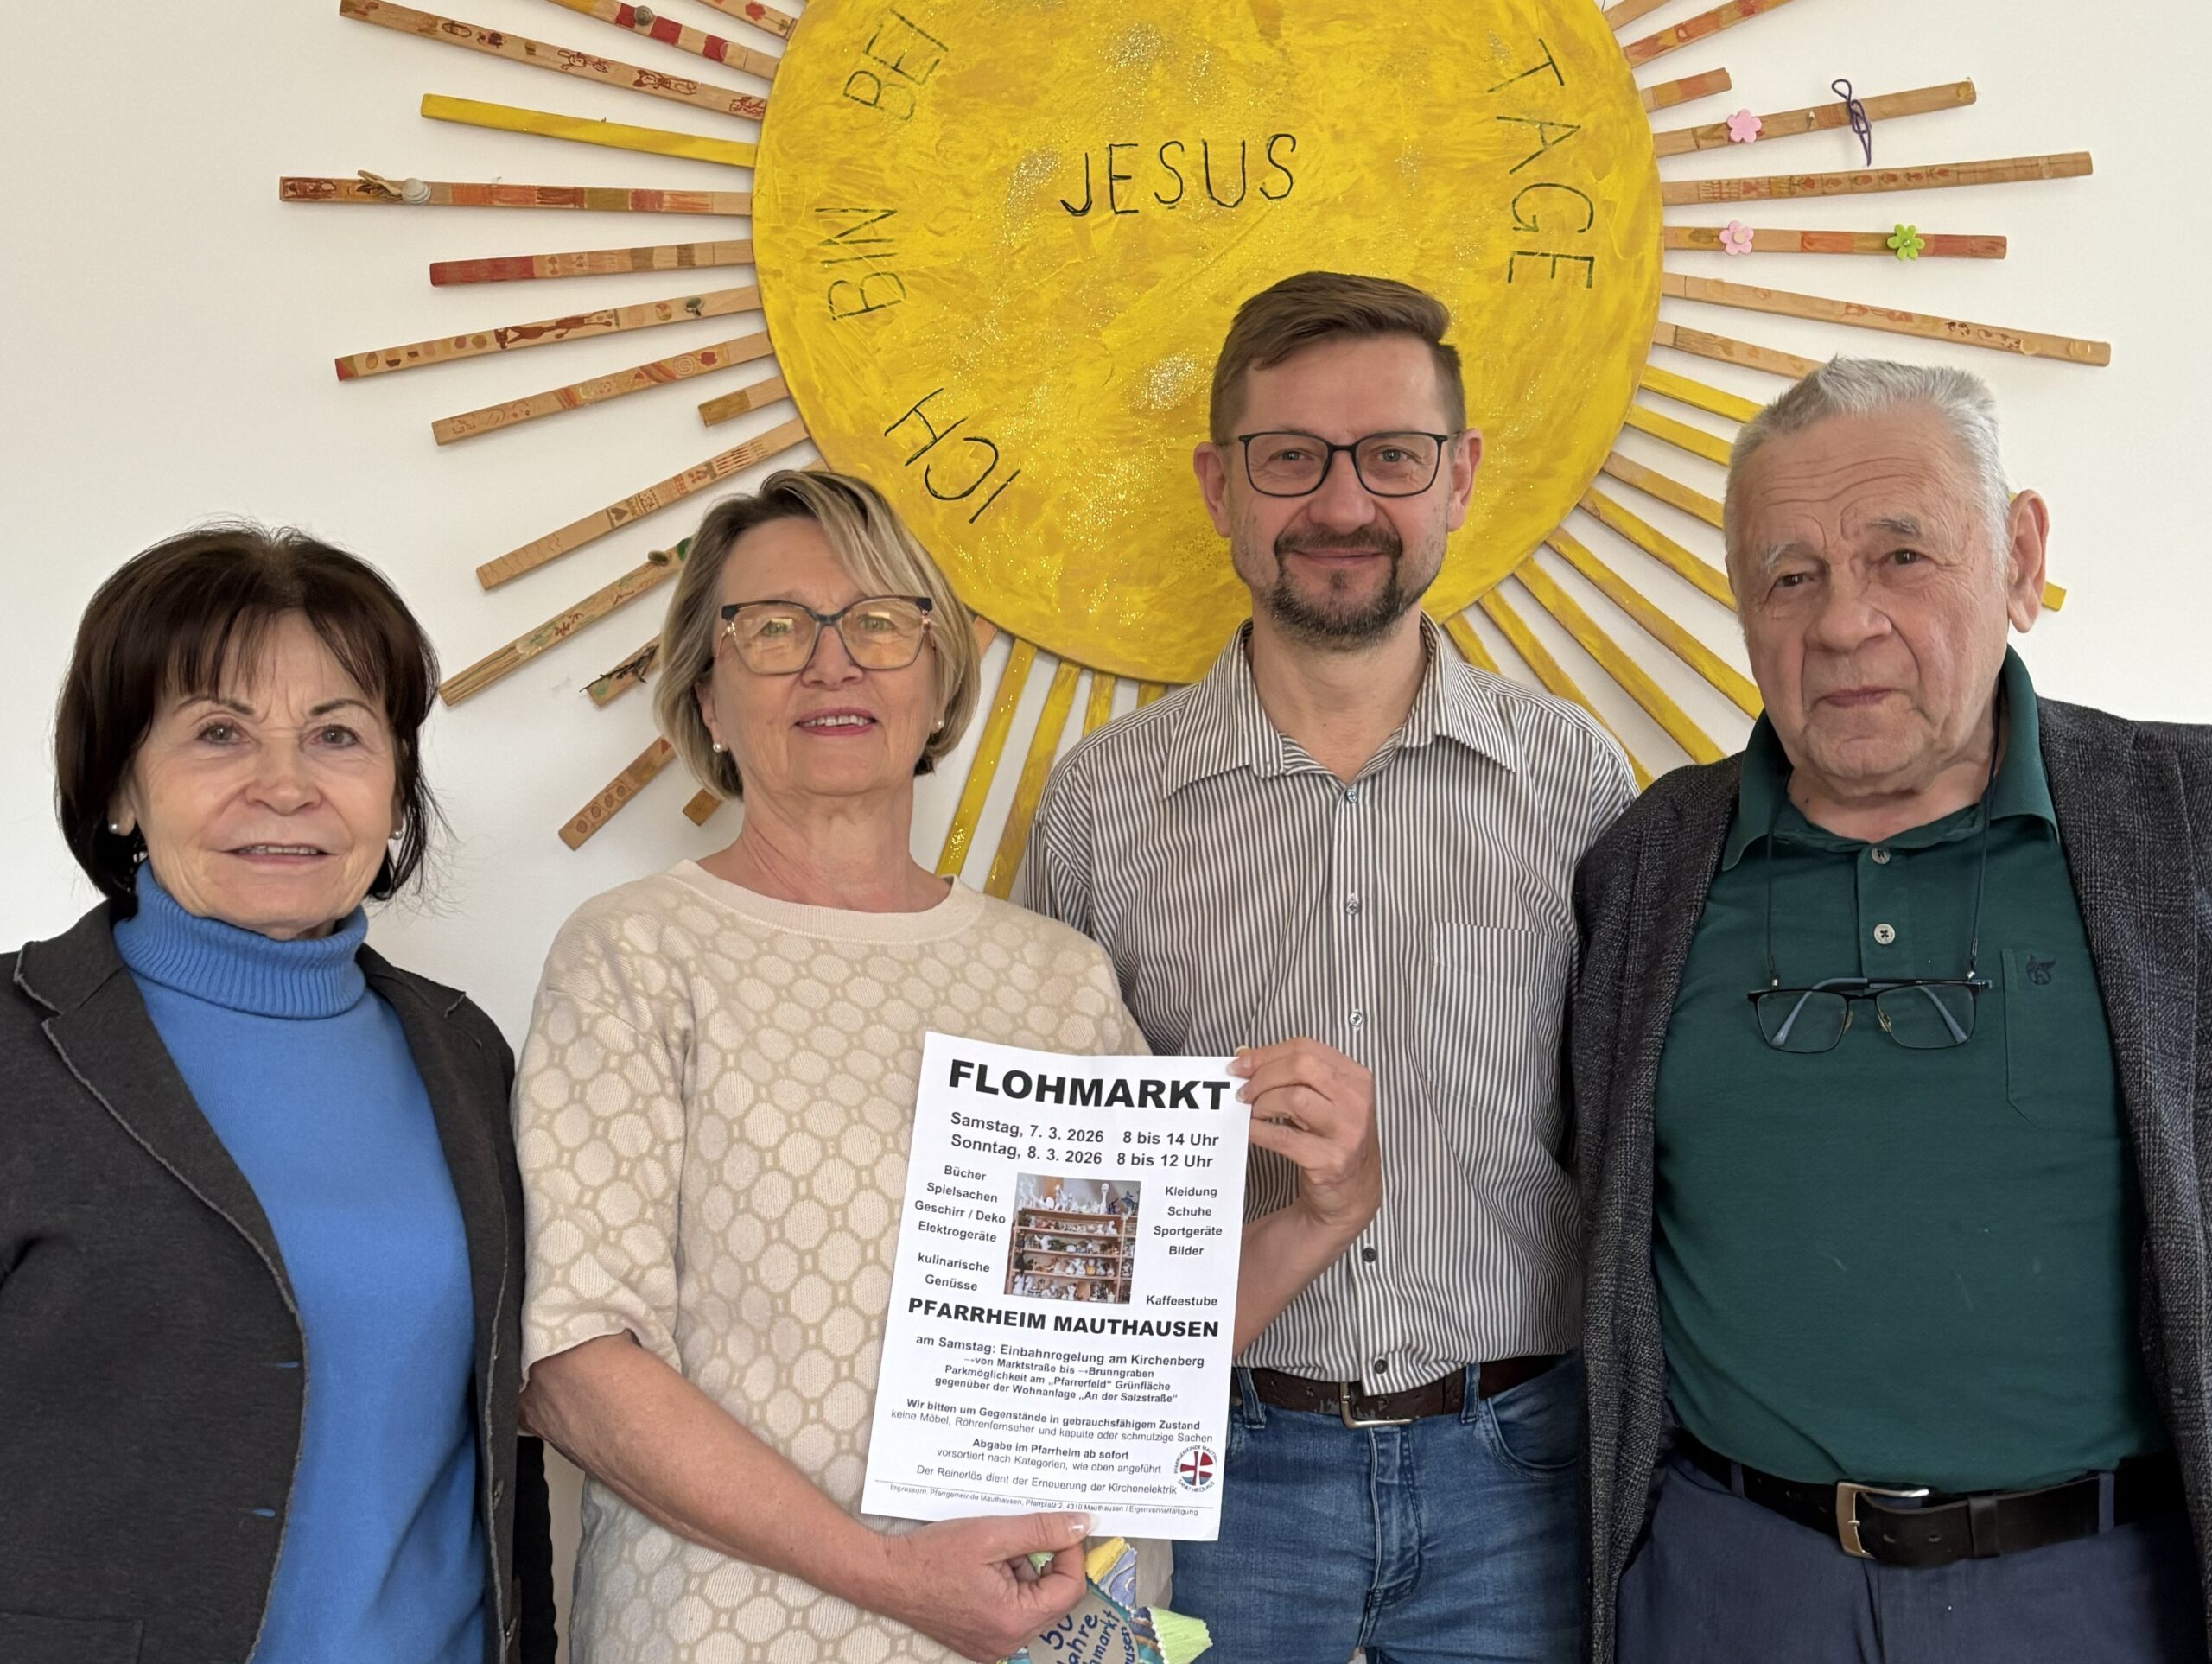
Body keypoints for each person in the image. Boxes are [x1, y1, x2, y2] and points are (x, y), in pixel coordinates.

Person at [512, 470, 1376, 1664]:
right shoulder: (635, 954)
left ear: (936, 684)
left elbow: (1124, 1363)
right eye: (773, 627)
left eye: (879, 622)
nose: (832, 664)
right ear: (706, 695)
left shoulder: (1056, 977)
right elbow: (573, 1360)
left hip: (1050, 1634)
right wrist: (888, 1573)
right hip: (733, 1636)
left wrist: (1324, 1214)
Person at [1024, 271, 1635, 1662]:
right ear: (1218, 485)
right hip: (1220, 1469)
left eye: (1393, 457)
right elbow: (1053, 1200)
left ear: (1461, 475)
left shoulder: (1578, 785)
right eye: (1291, 457)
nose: (1344, 503)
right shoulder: (1101, 808)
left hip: (1523, 1467)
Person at [1573, 359, 2212, 1663]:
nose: (1845, 622)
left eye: (1903, 554)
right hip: (1730, 1587)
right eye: (1790, 574)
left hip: (2097, 1592)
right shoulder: (1644, 864)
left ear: (2022, 557)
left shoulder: (2188, 823)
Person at [1, 524, 556, 1663]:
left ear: (394, 785)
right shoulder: (16, 1046)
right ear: (117, 784)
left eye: (338, 733)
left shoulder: (465, 1051)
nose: (287, 784)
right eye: (218, 732)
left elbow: (507, 1448)